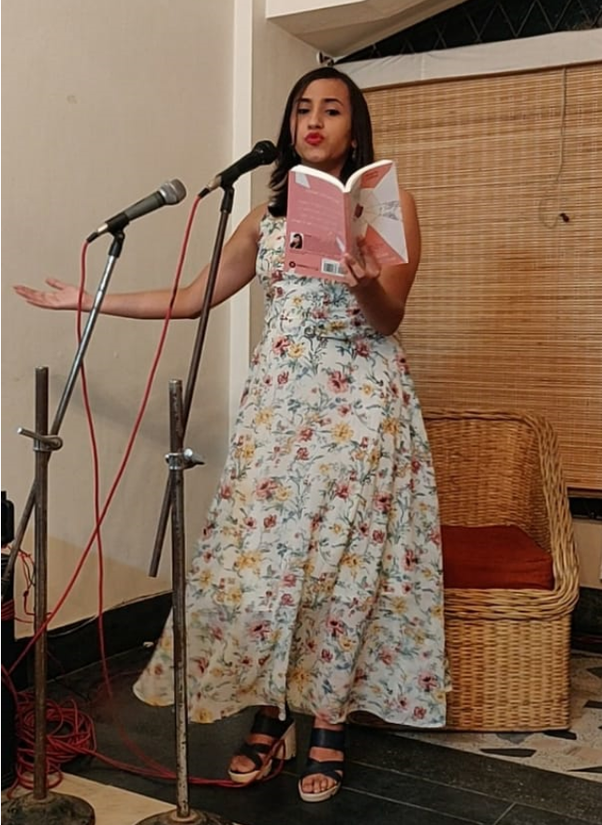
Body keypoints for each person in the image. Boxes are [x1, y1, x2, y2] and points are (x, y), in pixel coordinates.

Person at [14, 66, 447, 804]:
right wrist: (88, 298)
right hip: (278, 413)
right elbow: (192, 299)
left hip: (359, 409)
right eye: (303, 109)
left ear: (355, 130)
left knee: (340, 569)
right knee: (269, 567)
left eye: (332, 109)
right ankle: (272, 711)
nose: (315, 121)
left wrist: (365, 279)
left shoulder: (388, 204)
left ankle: (329, 724)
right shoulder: (263, 216)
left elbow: (388, 318)